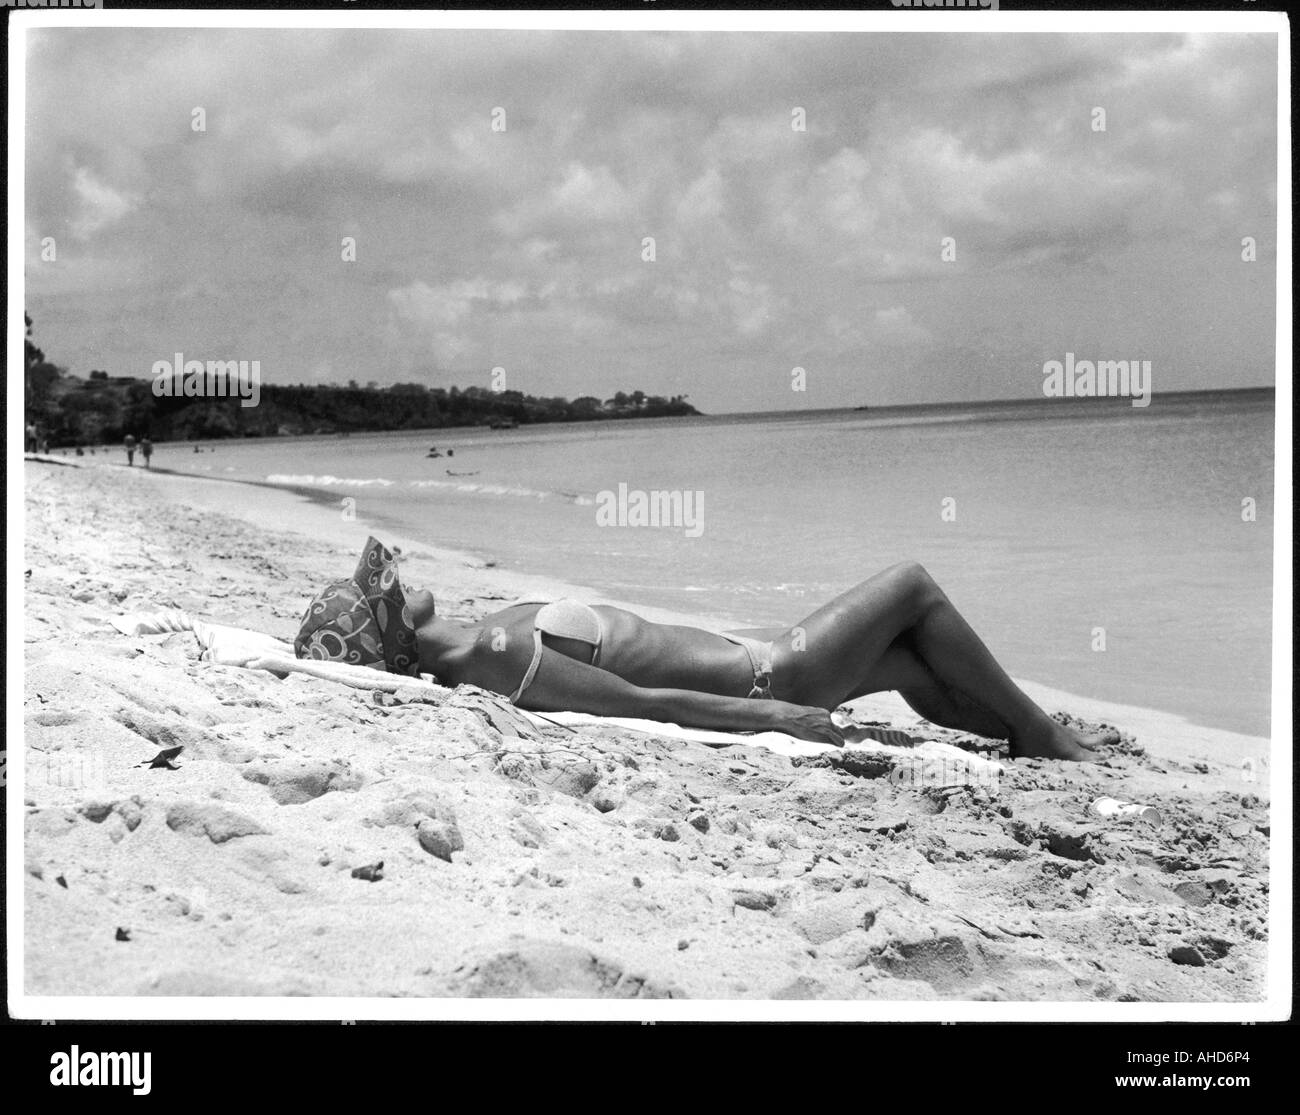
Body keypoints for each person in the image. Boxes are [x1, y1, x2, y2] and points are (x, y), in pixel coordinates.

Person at [296, 538, 1116, 760]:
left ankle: (1019, 736)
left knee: (909, 658)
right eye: (386, 592)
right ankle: (1040, 732)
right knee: (911, 586)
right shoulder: (498, 655)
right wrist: (779, 717)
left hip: (764, 659)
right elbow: (646, 707)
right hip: (773, 672)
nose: (396, 575)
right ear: (393, 634)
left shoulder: (485, 643)